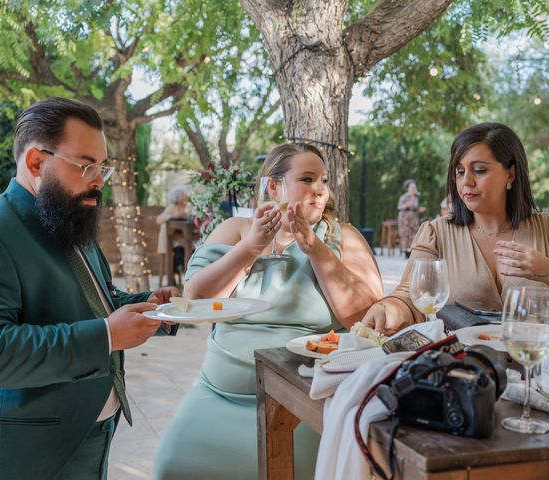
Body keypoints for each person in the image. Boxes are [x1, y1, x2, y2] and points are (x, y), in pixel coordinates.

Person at [0, 98, 180, 480]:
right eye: (86, 165)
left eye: (103, 167)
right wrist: (107, 336)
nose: (98, 180)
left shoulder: (68, 218)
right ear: (36, 162)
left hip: (90, 435)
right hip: (23, 455)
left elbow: (96, 301)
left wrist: (151, 306)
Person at [153, 142, 383, 480]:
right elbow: (197, 298)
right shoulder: (237, 230)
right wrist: (251, 247)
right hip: (219, 393)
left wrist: (314, 248)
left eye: (324, 180)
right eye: (307, 179)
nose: (320, 190)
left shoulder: (341, 236)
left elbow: (366, 317)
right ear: (274, 187)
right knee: (171, 465)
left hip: (301, 399)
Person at [361, 122, 549, 335]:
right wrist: (387, 309)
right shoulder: (436, 233)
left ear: (510, 174)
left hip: (535, 367)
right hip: (464, 371)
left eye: (479, 170)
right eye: (460, 171)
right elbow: (410, 298)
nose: (466, 182)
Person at [156, 186, 191, 286]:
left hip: (179, 240)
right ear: (179, 198)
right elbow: (159, 219)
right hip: (167, 241)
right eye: (184, 197)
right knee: (179, 251)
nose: (186, 198)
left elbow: (187, 217)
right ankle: (175, 276)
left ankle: (182, 272)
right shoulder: (171, 207)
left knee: (186, 249)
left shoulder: (185, 208)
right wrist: (172, 216)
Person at [397, 179, 426, 258]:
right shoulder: (404, 197)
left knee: (414, 234)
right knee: (405, 234)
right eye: (412, 188)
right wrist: (406, 205)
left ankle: (412, 251)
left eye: (414, 188)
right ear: (408, 189)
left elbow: (416, 208)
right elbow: (399, 207)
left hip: (413, 218)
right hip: (404, 218)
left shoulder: (416, 198)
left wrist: (420, 209)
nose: (414, 190)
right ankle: (406, 251)